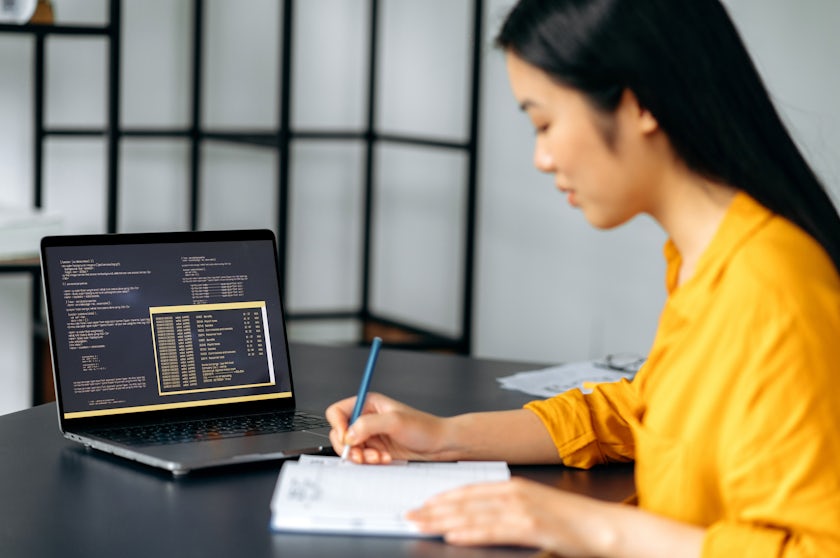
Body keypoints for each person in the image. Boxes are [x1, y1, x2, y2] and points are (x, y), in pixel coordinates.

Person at [326, 1, 840, 555]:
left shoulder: (771, 288)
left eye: (544, 124)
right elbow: (635, 412)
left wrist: (590, 527)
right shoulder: (704, 261)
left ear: (637, 102)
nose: (541, 158)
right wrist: (442, 438)